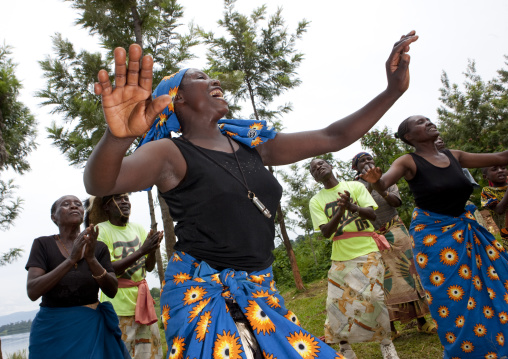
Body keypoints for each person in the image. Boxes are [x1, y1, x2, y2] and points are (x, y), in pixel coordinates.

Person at [83, 31, 418, 359]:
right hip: (201, 291)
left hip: (261, 286)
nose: (214, 80)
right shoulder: (168, 153)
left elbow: (334, 135)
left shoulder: (253, 147)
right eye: (200, 78)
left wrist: (392, 91)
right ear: (178, 98)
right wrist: (117, 138)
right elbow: (100, 183)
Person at [361, 115, 508, 359]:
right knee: (455, 298)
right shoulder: (408, 161)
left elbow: (502, 157)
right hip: (435, 240)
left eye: (428, 119)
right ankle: (468, 351)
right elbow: (384, 182)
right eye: (420, 122)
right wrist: (376, 181)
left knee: (496, 283)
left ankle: (498, 342)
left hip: (469, 231)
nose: (428, 122)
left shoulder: (455, 156)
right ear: (409, 137)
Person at [308, 158, 399, 359]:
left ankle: (386, 343)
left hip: (367, 249)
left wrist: (351, 206)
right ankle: (345, 348)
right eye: (313, 169)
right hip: (340, 257)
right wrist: (340, 210)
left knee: (375, 298)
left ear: (331, 165)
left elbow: (372, 216)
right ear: (314, 178)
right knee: (335, 303)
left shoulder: (355, 186)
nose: (318, 167)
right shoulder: (316, 201)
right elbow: (326, 233)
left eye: (321, 163)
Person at [25, 195, 129, 359]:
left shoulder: (98, 247)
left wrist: (92, 259)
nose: (73, 206)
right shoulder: (42, 245)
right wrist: (71, 260)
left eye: (78, 204)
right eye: (65, 204)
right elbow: (32, 291)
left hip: (91, 329)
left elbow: (112, 290)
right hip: (52, 332)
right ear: (54, 217)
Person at [352, 152, 434, 337]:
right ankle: (391, 328)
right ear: (355, 168)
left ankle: (422, 321)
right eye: (362, 161)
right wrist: (369, 185)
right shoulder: (354, 187)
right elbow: (358, 211)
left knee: (408, 274)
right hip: (373, 237)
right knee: (383, 281)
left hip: (395, 230)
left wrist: (378, 184)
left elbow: (396, 202)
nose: (367, 162)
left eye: (369, 159)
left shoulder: (387, 179)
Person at [86, 193, 164, 359]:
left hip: (143, 305)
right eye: (119, 199)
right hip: (118, 307)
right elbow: (108, 269)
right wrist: (142, 250)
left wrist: (152, 249)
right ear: (106, 206)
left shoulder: (138, 229)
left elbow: (149, 268)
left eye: (126, 199)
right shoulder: (101, 231)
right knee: (120, 354)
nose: (124, 202)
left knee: (149, 354)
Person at [481, 165, 508, 249]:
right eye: (494, 169)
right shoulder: (487, 191)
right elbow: (499, 210)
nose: (500, 170)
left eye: (503, 168)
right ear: (486, 176)